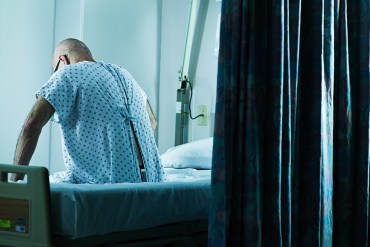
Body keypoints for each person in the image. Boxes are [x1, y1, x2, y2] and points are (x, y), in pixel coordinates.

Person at [11, 38, 165, 183]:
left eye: (55, 69)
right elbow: (152, 122)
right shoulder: (125, 75)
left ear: (62, 60)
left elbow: (31, 125)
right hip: (152, 181)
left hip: (110, 184)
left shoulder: (67, 74)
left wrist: (14, 183)